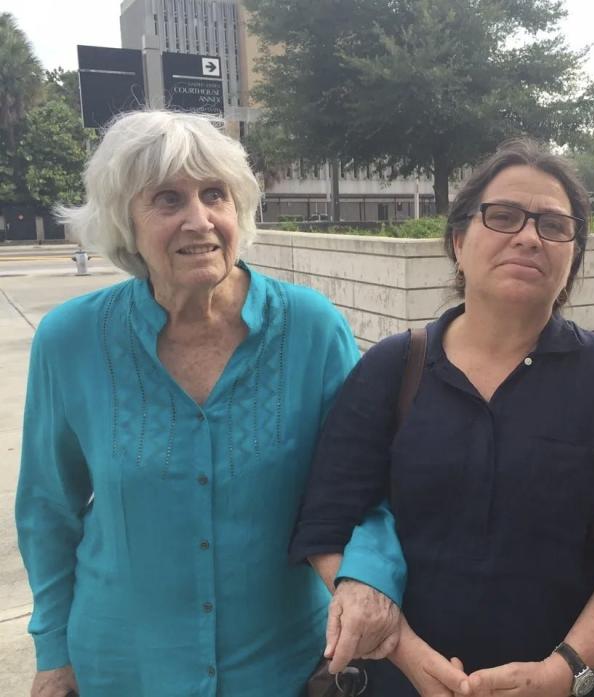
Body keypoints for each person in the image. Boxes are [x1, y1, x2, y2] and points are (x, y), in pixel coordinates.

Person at [16, 110, 406, 697]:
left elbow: (366, 483)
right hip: (125, 667)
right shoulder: (69, 339)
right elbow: (48, 509)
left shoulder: (311, 327)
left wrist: (369, 579)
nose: (198, 220)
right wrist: (53, 653)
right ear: (126, 221)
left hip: (286, 666)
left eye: (215, 195)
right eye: (168, 199)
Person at [289, 139, 594, 697]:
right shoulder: (394, 367)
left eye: (553, 225)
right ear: (458, 241)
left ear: (573, 257)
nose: (529, 236)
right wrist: (406, 653)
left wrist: (564, 672)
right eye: (503, 216)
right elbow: (326, 524)